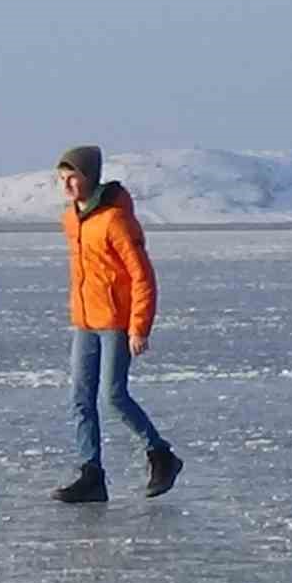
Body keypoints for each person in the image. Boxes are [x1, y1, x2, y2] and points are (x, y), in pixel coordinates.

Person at [51, 145, 183, 503]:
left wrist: (139, 326)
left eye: (73, 177)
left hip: (115, 322)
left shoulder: (115, 220)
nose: (66, 185)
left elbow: (142, 277)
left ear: (90, 177)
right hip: (85, 322)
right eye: (61, 178)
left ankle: (161, 455)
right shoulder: (71, 219)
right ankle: (91, 475)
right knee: (80, 398)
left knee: (113, 395)